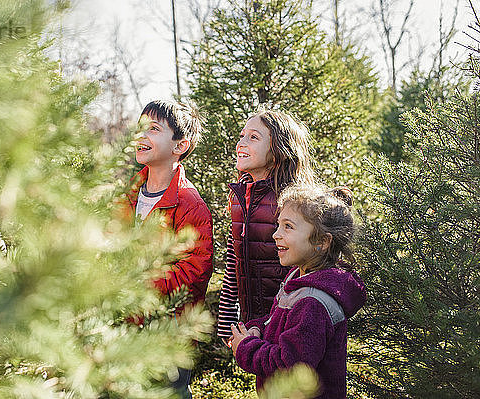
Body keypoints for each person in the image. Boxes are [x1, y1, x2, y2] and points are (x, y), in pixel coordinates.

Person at [229, 184, 367, 398]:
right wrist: (257, 329)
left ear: (322, 241)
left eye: (288, 227)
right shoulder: (298, 277)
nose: (276, 234)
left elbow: (290, 368)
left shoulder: (313, 302)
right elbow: (278, 324)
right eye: (278, 225)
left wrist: (247, 348)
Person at [124, 100, 214, 399]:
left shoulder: (190, 204)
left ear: (179, 146)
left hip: (167, 334)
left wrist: (137, 288)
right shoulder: (126, 195)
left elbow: (193, 271)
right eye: (140, 126)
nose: (141, 134)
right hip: (122, 328)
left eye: (153, 129)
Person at [217, 110, 315, 342]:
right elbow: (234, 261)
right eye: (242, 136)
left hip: (289, 321)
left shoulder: (293, 201)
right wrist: (226, 319)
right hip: (254, 323)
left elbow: (309, 267)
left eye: (254, 137)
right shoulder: (240, 197)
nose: (241, 143)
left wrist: (274, 321)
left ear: (278, 150)